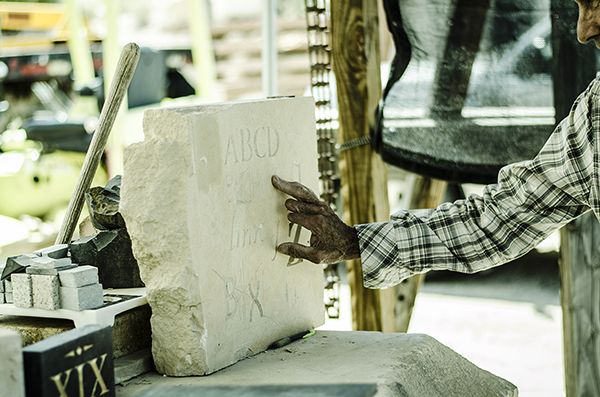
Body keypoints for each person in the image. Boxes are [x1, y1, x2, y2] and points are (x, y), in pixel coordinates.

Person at [272, 0, 600, 289]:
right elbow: (497, 221)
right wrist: (352, 241)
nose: (583, 30)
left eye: (595, 4)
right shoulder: (594, 114)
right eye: (580, 7)